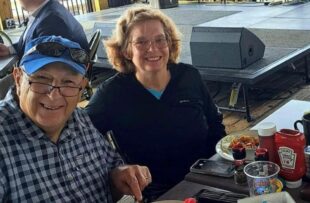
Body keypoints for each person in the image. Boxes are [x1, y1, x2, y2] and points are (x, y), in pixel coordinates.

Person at [85, 7, 226, 201]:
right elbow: (81, 136)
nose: (152, 48)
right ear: (126, 50)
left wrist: (221, 166)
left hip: (208, 181)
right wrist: (115, 170)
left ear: (169, 43)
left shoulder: (189, 76)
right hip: (157, 193)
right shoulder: (111, 94)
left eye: (160, 39)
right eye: (141, 42)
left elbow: (215, 123)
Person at [0, 35, 151, 202]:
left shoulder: (79, 118)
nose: (53, 95)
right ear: (18, 78)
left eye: (68, 82)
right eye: (42, 79)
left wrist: (121, 174)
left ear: (81, 88)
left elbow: (112, 166)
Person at [0, 0, 88, 59]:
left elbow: (46, 72)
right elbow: (34, 41)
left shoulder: (51, 21)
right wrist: (10, 50)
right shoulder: (47, 10)